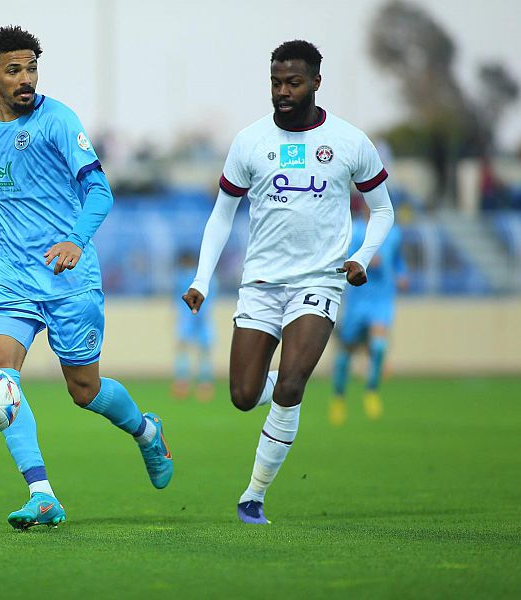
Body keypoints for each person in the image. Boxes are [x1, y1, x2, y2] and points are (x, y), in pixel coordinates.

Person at [0, 25, 173, 530]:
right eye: (14, 70)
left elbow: (100, 192)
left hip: (68, 277)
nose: (26, 79)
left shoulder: (59, 121)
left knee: (84, 390)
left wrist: (75, 241)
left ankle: (147, 432)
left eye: (32, 69)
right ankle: (42, 495)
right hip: (10, 277)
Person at [182, 40, 394, 525]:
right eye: (276, 82)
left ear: (316, 82)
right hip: (260, 283)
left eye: (293, 82)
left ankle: (253, 496)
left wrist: (360, 256)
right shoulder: (250, 141)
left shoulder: (349, 141)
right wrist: (201, 280)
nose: (282, 91)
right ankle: (285, 381)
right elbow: (222, 215)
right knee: (242, 395)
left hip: (319, 281)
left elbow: (383, 210)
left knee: (292, 384)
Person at [330, 207, 407, 425]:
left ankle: (371, 390)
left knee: (379, 345)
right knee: (346, 353)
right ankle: (338, 398)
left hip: (382, 298)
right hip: (358, 299)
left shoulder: (393, 232)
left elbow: (397, 259)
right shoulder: (355, 230)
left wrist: (402, 274)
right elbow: (344, 258)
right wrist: (362, 261)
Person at [172, 250, 215, 402]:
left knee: (184, 348)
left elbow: (177, 299)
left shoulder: (181, 277)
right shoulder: (209, 279)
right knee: (204, 351)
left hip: (188, 317)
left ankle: (182, 384)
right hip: (203, 316)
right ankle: (204, 385)